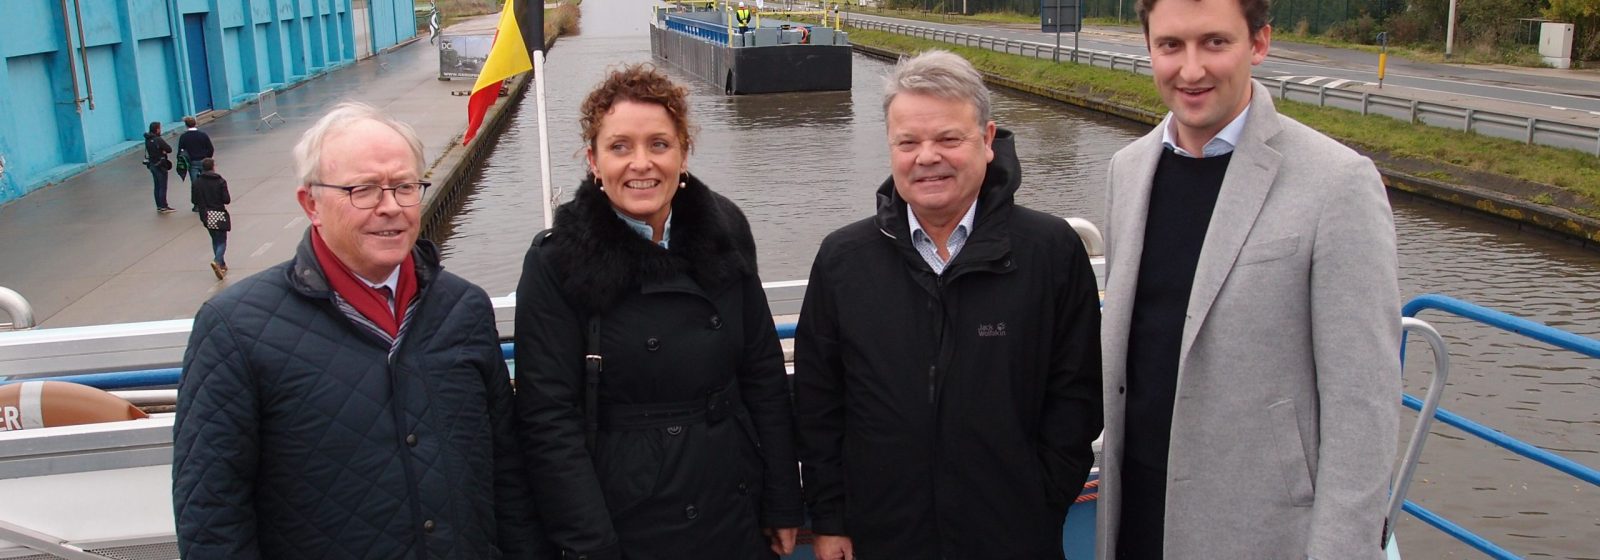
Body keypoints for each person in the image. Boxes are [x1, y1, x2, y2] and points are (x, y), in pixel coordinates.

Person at [1096, 0, 1402, 557]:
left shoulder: (1338, 183)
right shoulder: (1128, 169)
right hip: (1136, 515)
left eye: (1215, 42)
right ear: (1148, 49)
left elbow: (1364, 403)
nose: (1191, 70)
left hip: (1259, 528)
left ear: (1258, 43)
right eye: (1171, 45)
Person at [172, 102, 543, 559]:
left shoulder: (463, 308)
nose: (390, 208)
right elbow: (212, 518)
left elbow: (506, 475)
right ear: (312, 204)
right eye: (363, 190)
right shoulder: (236, 329)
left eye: (404, 187)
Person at [794, 50, 1103, 560]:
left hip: (1014, 536)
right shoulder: (844, 260)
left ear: (986, 140)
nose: (927, 156)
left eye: (948, 138)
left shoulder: (1049, 251)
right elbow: (819, 403)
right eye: (908, 142)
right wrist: (830, 517)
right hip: (884, 536)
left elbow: (1076, 395)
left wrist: (1039, 499)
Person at [514, 64, 803, 560]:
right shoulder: (557, 261)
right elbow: (548, 419)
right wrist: (592, 544)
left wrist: (782, 499)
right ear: (593, 160)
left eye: (659, 144)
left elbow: (762, 373)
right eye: (620, 146)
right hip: (628, 516)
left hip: (731, 500)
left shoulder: (725, 229)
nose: (641, 163)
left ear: (683, 154)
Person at [191, 158, 231, 280]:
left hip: (206, 215)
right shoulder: (220, 181)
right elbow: (226, 200)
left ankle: (222, 265)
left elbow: (194, 200)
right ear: (213, 167)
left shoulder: (197, 183)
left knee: (215, 239)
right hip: (218, 212)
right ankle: (217, 260)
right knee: (222, 241)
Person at [142, 121, 175, 213]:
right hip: (160, 165)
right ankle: (164, 206)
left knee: (157, 186)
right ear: (157, 129)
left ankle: (159, 206)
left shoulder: (147, 139)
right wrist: (163, 151)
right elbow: (169, 149)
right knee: (163, 186)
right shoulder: (158, 139)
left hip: (152, 164)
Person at [177, 115, 215, 184]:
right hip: (204, 161)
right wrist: (208, 158)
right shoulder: (203, 135)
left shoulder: (184, 137)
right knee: (207, 181)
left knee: (195, 184)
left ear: (186, 125)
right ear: (195, 123)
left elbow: (180, 152)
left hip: (192, 162)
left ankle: (197, 194)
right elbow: (211, 149)